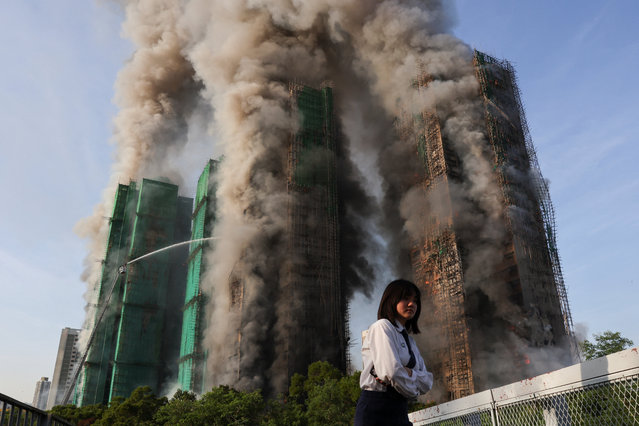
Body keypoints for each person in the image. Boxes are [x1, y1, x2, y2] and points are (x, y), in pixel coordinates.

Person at [354, 279, 433, 426]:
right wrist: (413, 391)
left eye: (415, 300)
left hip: (400, 409)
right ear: (391, 300)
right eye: (405, 298)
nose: (411, 304)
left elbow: (427, 381)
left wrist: (408, 373)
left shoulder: (410, 342)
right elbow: (391, 372)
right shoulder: (382, 327)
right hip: (375, 409)